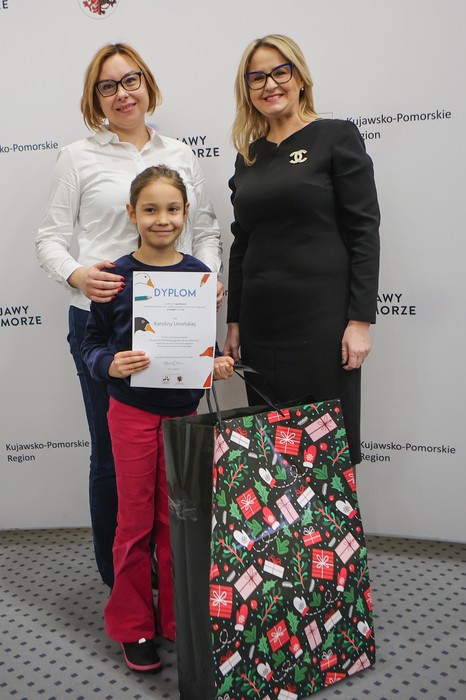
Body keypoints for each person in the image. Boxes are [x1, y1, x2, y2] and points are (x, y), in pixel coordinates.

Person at [35, 43, 223, 588]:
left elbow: (205, 230)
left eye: (131, 80)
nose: (122, 93)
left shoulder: (181, 154)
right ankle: (120, 580)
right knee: (111, 455)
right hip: (104, 325)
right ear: (95, 98)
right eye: (108, 86)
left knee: (174, 458)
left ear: (147, 85)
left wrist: (205, 282)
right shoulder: (77, 156)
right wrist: (77, 275)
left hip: (176, 323)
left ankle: (173, 578)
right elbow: (49, 239)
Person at [81, 165, 234, 672]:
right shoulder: (114, 276)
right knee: (134, 523)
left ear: (186, 213)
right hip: (131, 413)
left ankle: (176, 619)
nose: (161, 219)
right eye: (150, 209)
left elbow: (200, 344)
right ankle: (133, 626)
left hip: (185, 417)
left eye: (172, 209)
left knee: (177, 522)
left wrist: (216, 362)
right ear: (132, 213)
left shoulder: (198, 275)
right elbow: (91, 343)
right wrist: (109, 364)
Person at [223, 34, 380, 466]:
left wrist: (360, 320)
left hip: (322, 321)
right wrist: (234, 321)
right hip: (260, 323)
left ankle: (332, 516)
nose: (270, 84)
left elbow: (364, 231)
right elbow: (241, 242)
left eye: (280, 71)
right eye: (257, 77)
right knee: (271, 456)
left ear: (300, 77)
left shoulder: (336, 136)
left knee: (325, 453)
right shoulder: (248, 156)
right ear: (246, 89)